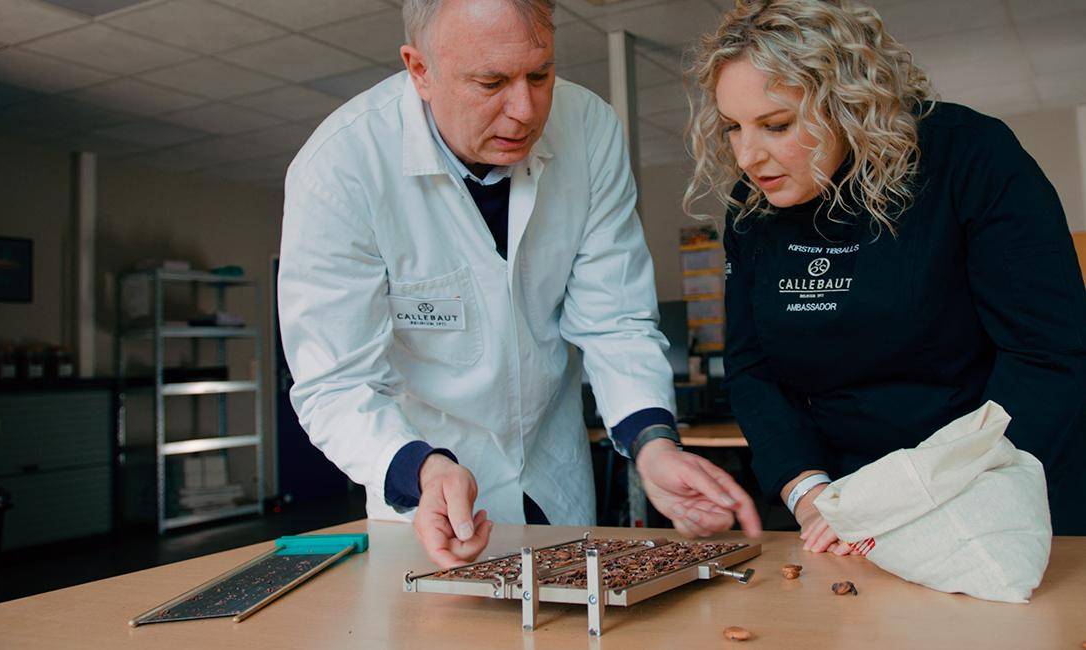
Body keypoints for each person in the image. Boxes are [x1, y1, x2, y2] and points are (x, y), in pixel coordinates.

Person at [278, 0, 761, 568]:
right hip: (428, 495)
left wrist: (653, 444)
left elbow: (615, 320)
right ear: (420, 70)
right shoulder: (341, 168)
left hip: (555, 479)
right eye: (490, 82)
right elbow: (335, 383)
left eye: (540, 74)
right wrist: (418, 468)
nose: (525, 111)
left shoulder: (589, 128)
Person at [683, 0, 1086, 547]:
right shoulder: (752, 210)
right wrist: (808, 491)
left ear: (848, 103)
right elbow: (752, 371)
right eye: (733, 127)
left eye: (776, 125)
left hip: (996, 491)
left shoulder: (970, 158)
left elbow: (1046, 354)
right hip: (850, 508)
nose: (749, 156)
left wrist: (927, 494)